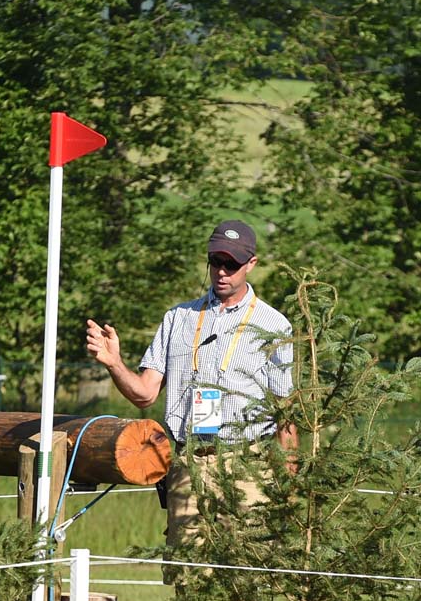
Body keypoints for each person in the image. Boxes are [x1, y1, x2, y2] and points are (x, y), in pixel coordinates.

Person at [85, 219, 297, 570]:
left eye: (233, 263)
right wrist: (114, 363)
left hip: (247, 463)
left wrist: (289, 481)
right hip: (188, 462)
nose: (222, 271)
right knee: (186, 575)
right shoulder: (178, 318)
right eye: (216, 261)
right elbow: (144, 394)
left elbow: (285, 412)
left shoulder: (275, 325)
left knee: (245, 574)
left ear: (252, 264)